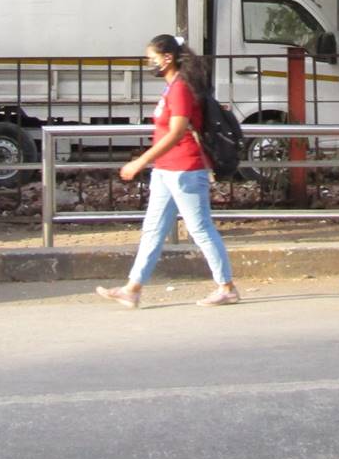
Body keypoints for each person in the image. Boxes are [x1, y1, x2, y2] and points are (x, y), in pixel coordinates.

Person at [95, 34, 239, 309]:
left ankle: (227, 287)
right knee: (153, 229)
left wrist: (140, 162)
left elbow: (175, 133)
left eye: (153, 58)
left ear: (168, 58)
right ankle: (133, 288)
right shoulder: (172, 87)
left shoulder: (181, 89)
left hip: (184, 169)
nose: (150, 63)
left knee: (200, 229)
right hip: (166, 170)